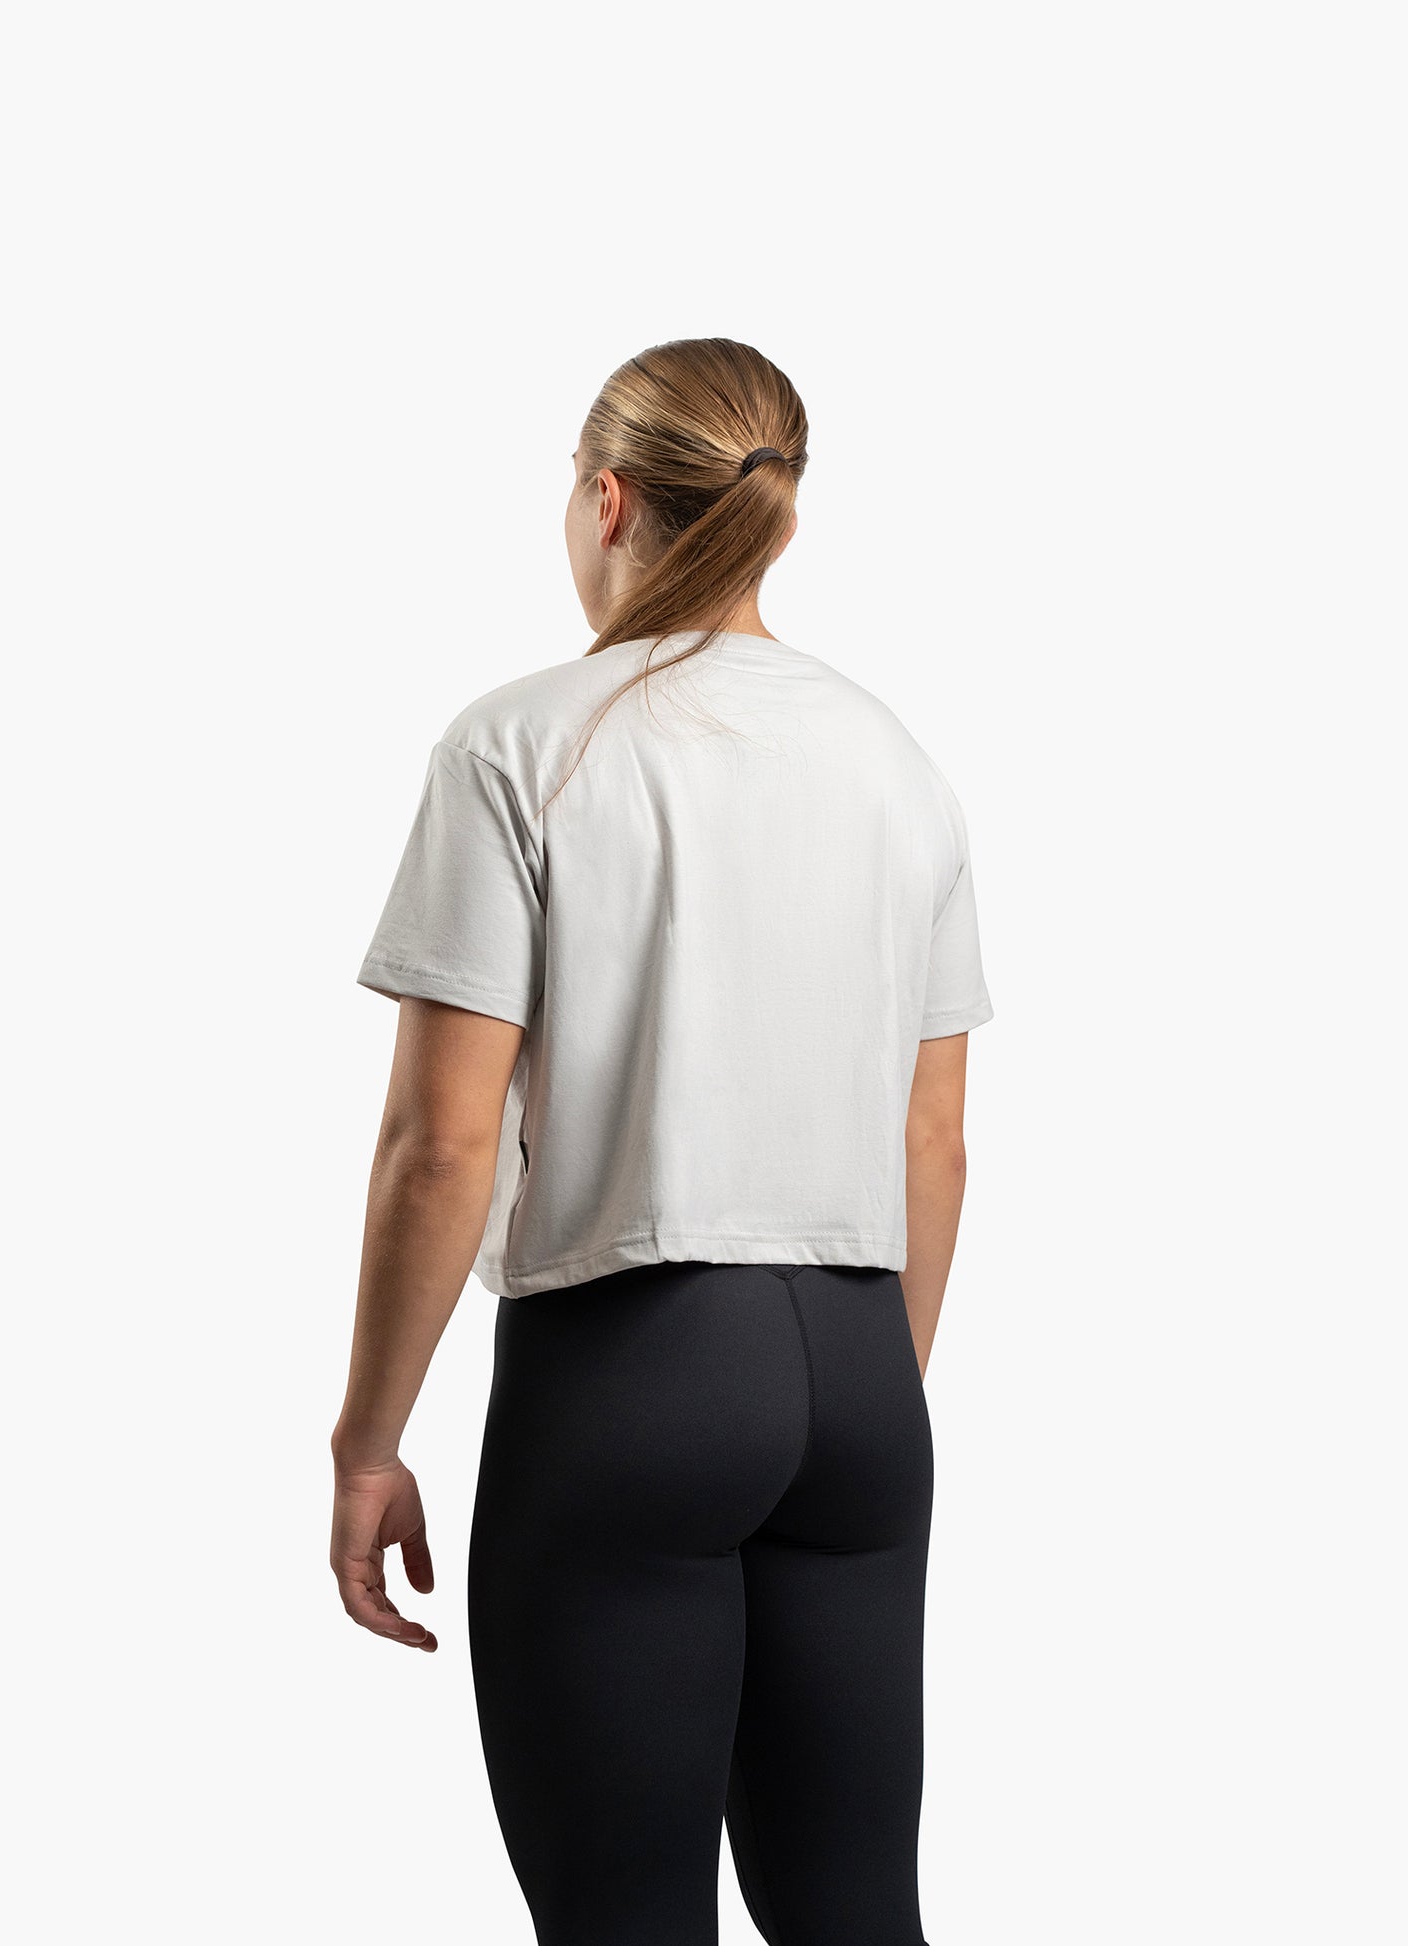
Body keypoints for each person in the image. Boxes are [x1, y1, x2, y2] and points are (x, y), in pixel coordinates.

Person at [329, 337, 992, 1946]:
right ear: (782, 516)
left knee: (623, 1923)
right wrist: (856, 1398)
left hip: (629, 1377)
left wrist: (369, 1441)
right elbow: (935, 1140)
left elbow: (439, 1144)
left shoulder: (523, 744)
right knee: (855, 1914)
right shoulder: (895, 761)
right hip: (860, 1384)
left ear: (607, 499)